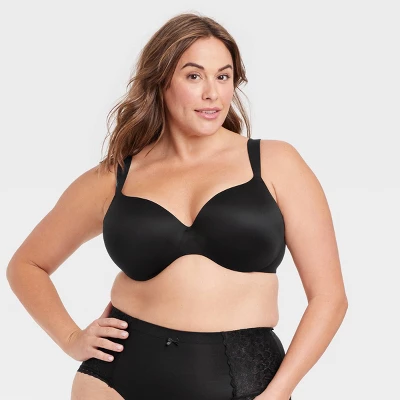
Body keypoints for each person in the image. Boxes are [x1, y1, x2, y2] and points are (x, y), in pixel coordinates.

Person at [6, 12, 348, 400]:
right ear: (161, 80)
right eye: (194, 76)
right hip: (115, 380)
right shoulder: (114, 176)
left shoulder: (276, 163)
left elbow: (329, 298)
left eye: (223, 76)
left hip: (245, 383)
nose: (212, 93)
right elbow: (27, 265)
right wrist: (71, 338)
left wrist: (279, 392)